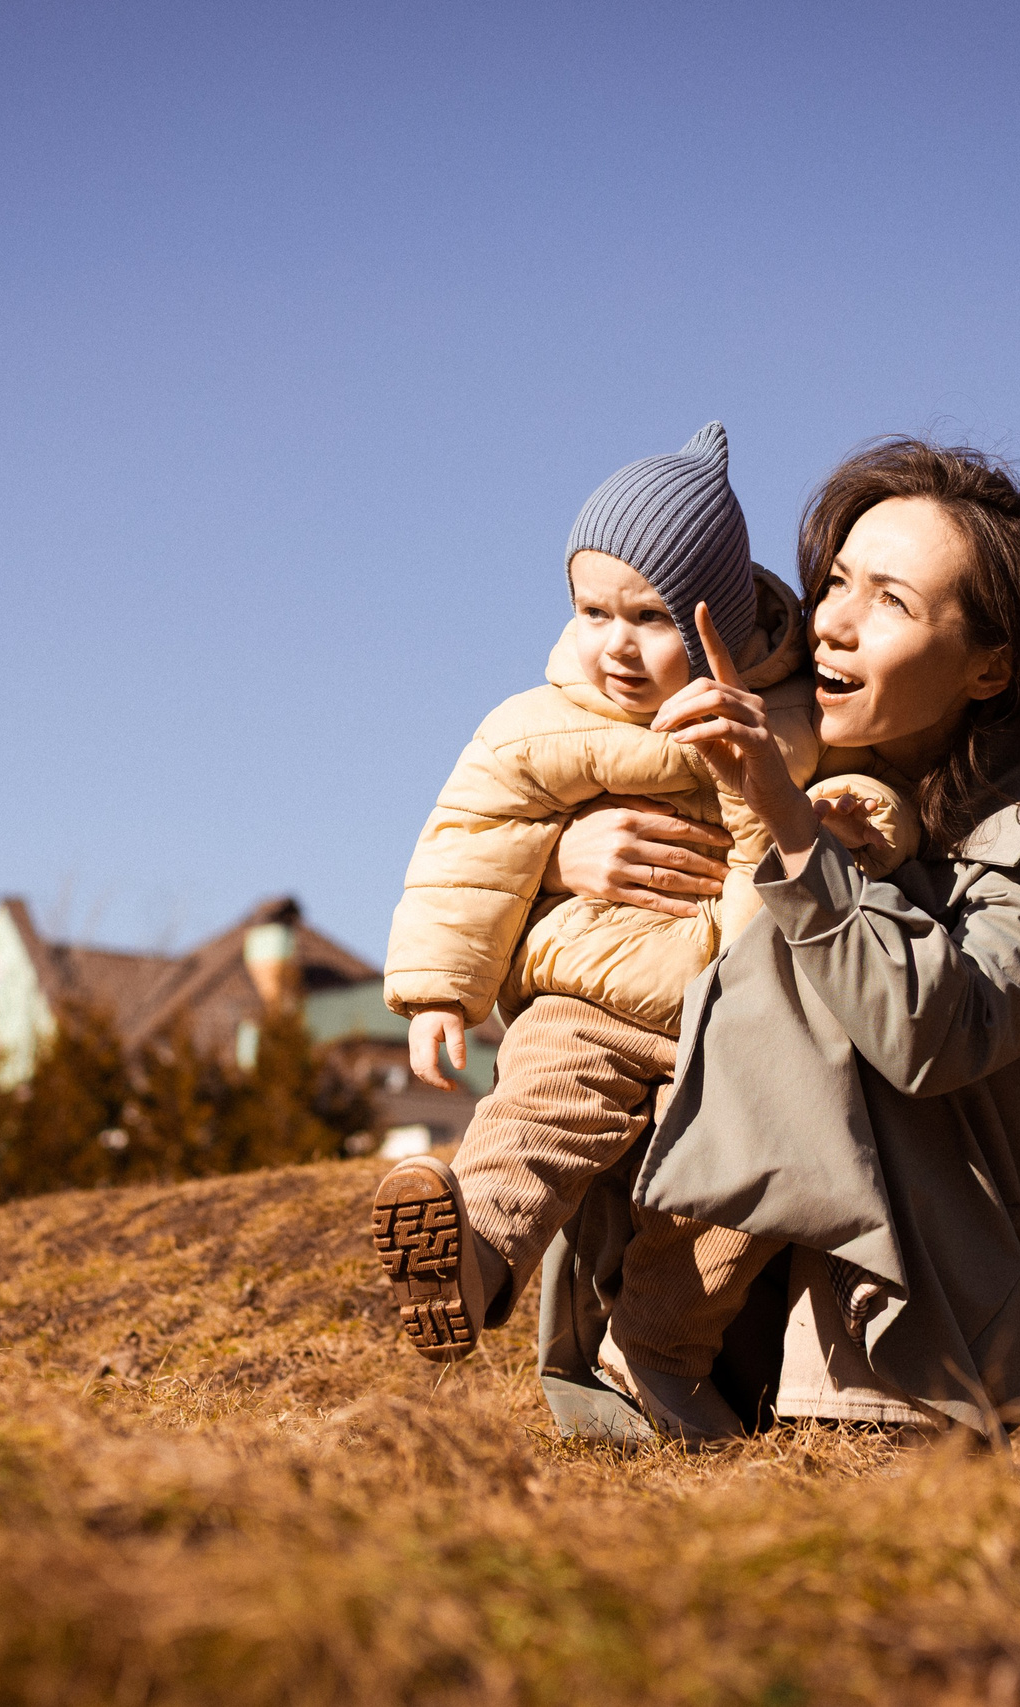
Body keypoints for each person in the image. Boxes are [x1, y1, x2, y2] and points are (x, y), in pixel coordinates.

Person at [540, 439, 1020, 1440]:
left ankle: (854, 1391)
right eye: (836, 582)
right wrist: (565, 867)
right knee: (706, 964)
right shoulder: (764, 717)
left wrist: (789, 826)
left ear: (991, 667)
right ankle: (656, 1343)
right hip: (772, 1172)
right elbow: (536, 934)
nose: (833, 623)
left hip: (1018, 1171)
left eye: (892, 603)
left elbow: (941, 1033)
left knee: (801, 938)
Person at [369, 422, 916, 1437]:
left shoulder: (795, 711)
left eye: (653, 616)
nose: (615, 644)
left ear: (726, 616)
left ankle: (653, 1362)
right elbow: (469, 839)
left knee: (722, 1204)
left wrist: (857, 823)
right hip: (592, 996)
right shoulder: (540, 723)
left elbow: (866, 790)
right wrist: (439, 987)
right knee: (536, 1111)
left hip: (738, 1026)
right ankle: (472, 1255)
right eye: (591, 612)